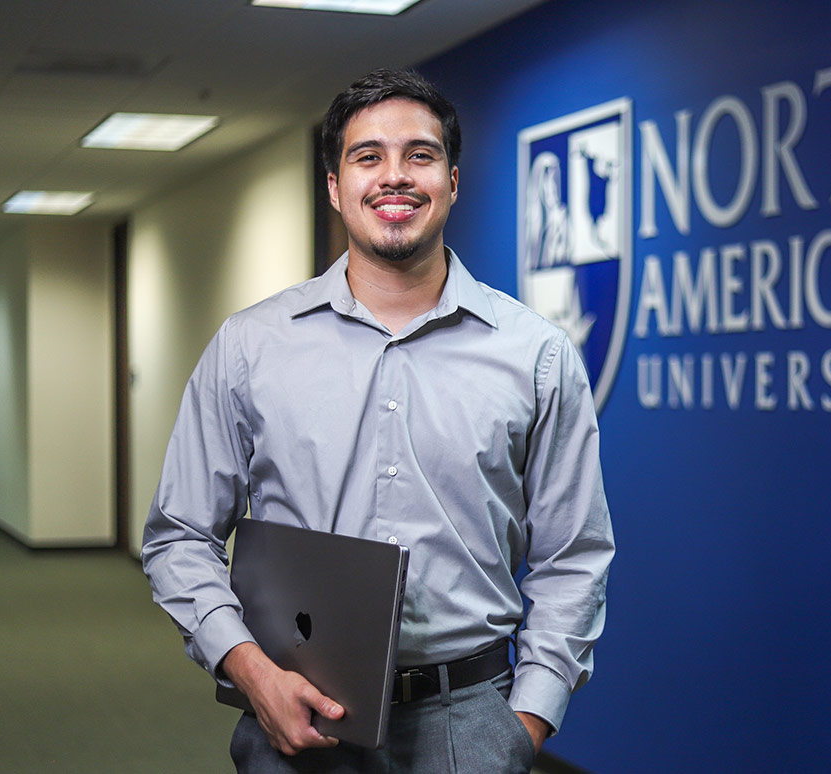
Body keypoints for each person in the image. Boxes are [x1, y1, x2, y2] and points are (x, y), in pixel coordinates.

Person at [141, 68, 614, 774]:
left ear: (452, 181)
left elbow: (572, 555)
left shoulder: (537, 356)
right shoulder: (251, 346)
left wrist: (526, 722)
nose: (395, 177)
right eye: (368, 157)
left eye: (419, 156)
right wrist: (250, 672)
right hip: (295, 713)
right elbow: (179, 535)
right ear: (335, 187)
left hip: (470, 722)